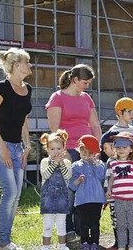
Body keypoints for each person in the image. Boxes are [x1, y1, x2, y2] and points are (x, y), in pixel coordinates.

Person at [0, 47, 33, 250]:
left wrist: (27, 144)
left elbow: (24, 119)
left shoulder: (28, 88)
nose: (30, 65)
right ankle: (3, 243)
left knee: (16, 195)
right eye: (27, 62)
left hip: (18, 148)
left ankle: (6, 241)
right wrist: (2, 147)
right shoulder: (2, 88)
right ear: (16, 65)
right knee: (10, 192)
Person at [46, 64, 102, 239]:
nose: (87, 86)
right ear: (75, 80)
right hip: (68, 149)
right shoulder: (57, 98)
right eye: (85, 82)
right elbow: (54, 130)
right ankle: (68, 229)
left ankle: (82, 229)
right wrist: (64, 153)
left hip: (87, 150)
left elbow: (95, 126)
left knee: (86, 190)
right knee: (69, 191)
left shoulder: (87, 98)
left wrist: (96, 149)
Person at [106, 132, 133, 250]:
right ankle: (122, 246)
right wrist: (109, 189)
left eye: (124, 147)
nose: (121, 150)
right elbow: (112, 178)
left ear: (131, 149)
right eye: (118, 147)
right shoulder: (113, 163)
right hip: (118, 199)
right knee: (121, 225)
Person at [69, 135, 106, 250]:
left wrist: (95, 162)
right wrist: (78, 180)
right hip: (82, 199)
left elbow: (102, 176)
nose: (86, 157)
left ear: (95, 153)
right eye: (83, 154)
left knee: (95, 222)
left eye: (90, 154)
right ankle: (84, 242)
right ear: (79, 152)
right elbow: (71, 184)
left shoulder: (99, 164)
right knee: (83, 222)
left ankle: (94, 242)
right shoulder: (75, 166)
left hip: (97, 198)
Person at [39, 130, 72, 250]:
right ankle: (45, 246)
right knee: (47, 224)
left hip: (62, 199)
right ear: (47, 149)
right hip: (48, 198)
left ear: (63, 149)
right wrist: (54, 164)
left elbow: (68, 177)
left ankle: (62, 245)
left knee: (61, 223)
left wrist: (61, 164)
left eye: (58, 148)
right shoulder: (44, 162)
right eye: (52, 149)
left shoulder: (67, 163)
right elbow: (45, 175)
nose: (55, 152)